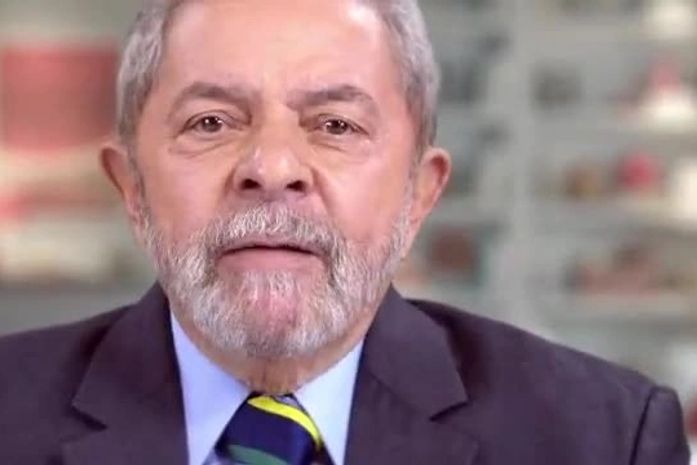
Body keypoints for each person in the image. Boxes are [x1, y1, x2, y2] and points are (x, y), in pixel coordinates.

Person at [0, 0, 689, 464]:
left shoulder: (602, 439)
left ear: (420, 193)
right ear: (132, 187)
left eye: (335, 125)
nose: (273, 168)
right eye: (211, 122)